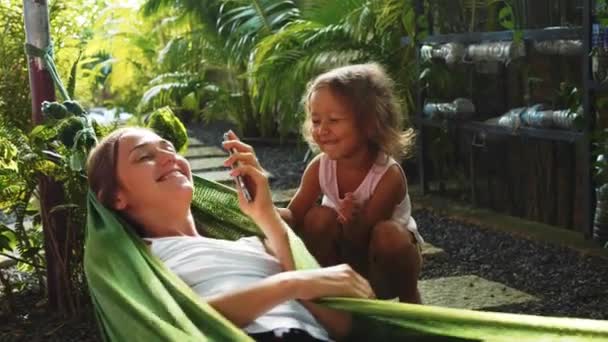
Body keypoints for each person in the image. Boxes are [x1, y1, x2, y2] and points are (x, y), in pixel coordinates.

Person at [86, 127, 375, 342]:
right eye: (145, 156)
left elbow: (341, 327)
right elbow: (168, 323)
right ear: (116, 198)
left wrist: (267, 217)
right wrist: (291, 284)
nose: (168, 157)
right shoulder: (139, 258)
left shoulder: (257, 242)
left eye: (170, 149)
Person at [278, 63, 424, 304]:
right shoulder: (320, 166)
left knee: (389, 235)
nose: (322, 130)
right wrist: (262, 207)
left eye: (333, 120)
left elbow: (363, 237)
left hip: (384, 267)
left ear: (368, 124)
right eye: (316, 121)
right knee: (317, 218)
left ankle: (412, 301)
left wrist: (353, 219)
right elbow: (293, 215)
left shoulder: (388, 175)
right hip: (342, 263)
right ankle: (327, 298)